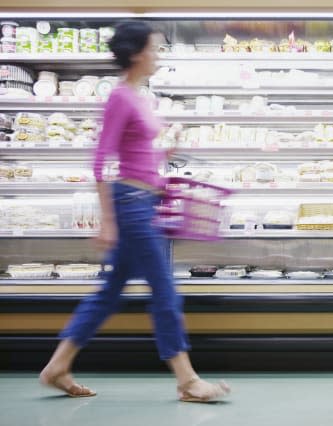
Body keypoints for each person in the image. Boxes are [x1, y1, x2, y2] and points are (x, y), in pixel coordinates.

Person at [39, 21, 230, 403]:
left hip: (145, 202)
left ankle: (57, 366)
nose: (158, 55)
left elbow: (136, 156)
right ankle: (187, 380)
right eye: (155, 48)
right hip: (131, 207)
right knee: (165, 291)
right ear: (138, 53)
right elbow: (100, 161)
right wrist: (108, 221)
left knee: (109, 293)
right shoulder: (119, 97)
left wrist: (164, 153)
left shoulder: (140, 97)